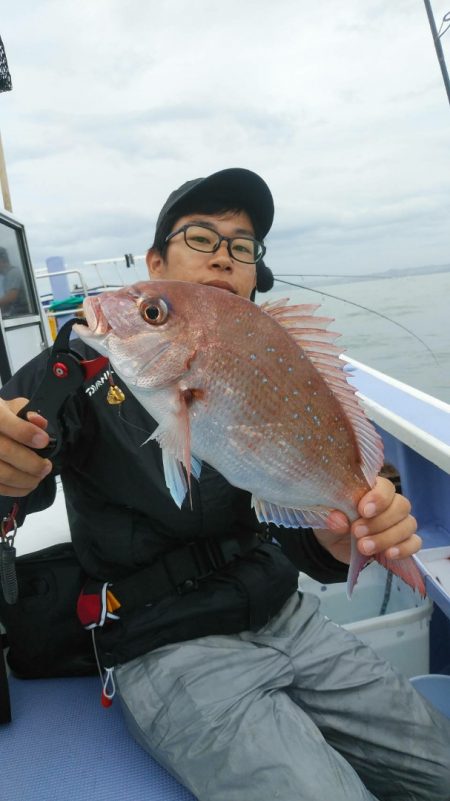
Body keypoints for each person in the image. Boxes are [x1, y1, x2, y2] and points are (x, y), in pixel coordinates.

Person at [0, 168, 449, 801]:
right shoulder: (70, 374)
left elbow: (286, 522)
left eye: (242, 246)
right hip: (165, 644)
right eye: (201, 237)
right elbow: (20, 476)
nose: (224, 257)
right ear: (156, 262)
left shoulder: (259, 358)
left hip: (289, 615)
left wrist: (340, 538)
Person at [0, 247, 27, 318]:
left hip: (23, 314)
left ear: (1, 261)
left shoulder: (13, 273)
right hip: (15, 313)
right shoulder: (8, 276)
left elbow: (11, 297)